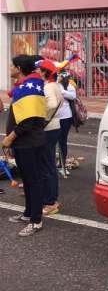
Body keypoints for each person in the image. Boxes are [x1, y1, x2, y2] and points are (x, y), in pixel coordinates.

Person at [2, 55, 47, 236]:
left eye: (12, 65)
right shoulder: (23, 88)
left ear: (19, 68)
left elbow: (28, 122)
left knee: (33, 181)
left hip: (29, 143)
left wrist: (10, 138)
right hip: (23, 144)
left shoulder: (30, 89)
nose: (9, 68)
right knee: (27, 180)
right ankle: (28, 214)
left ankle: (36, 221)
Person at [37, 59, 63, 216]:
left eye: (40, 70)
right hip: (54, 127)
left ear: (45, 73)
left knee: (47, 166)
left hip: (48, 127)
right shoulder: (54, 85)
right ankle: (52, 198)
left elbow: (52, 105)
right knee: (50, 165)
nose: (38, 72)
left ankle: (50, 202)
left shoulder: (47, 87)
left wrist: (43, 117)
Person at [57, 70, 77, 176]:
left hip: (65, 117)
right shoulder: (53, 85)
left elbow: (73, 96)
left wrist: (62, 91)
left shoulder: (69, 86)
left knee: (62, 141)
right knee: (50, 142)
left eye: (63, 77)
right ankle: (53, 164)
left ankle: (62, 165)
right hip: (53, 117)